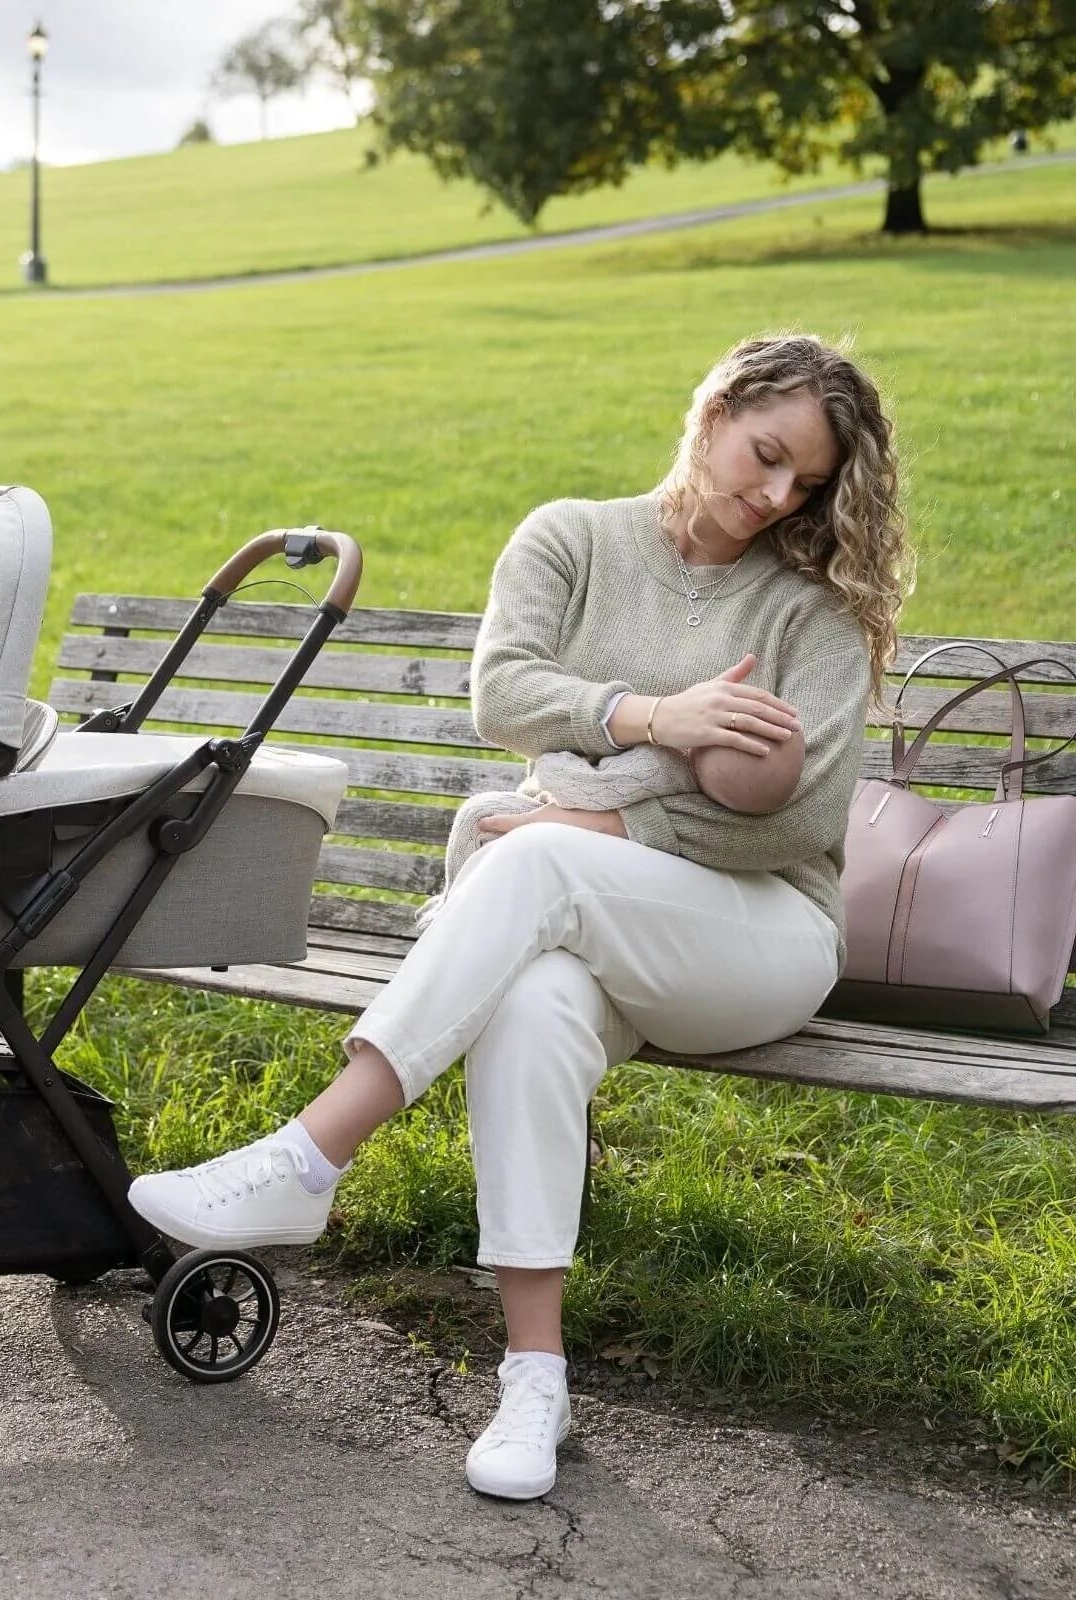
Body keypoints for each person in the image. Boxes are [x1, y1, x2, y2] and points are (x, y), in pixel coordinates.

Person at [129, 332, 913, 1501]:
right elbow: (502, 694)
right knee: (533, 999)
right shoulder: (572, 540)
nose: (774, 496)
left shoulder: (810, 612)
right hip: (597, 916)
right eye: (764, 455)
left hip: (758, 937)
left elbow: (799, 823)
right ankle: (533, 1379)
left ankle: (314, 1150)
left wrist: (602, 820)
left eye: (804, 482)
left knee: (534, 851)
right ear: (711, 412)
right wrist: (654, 719)